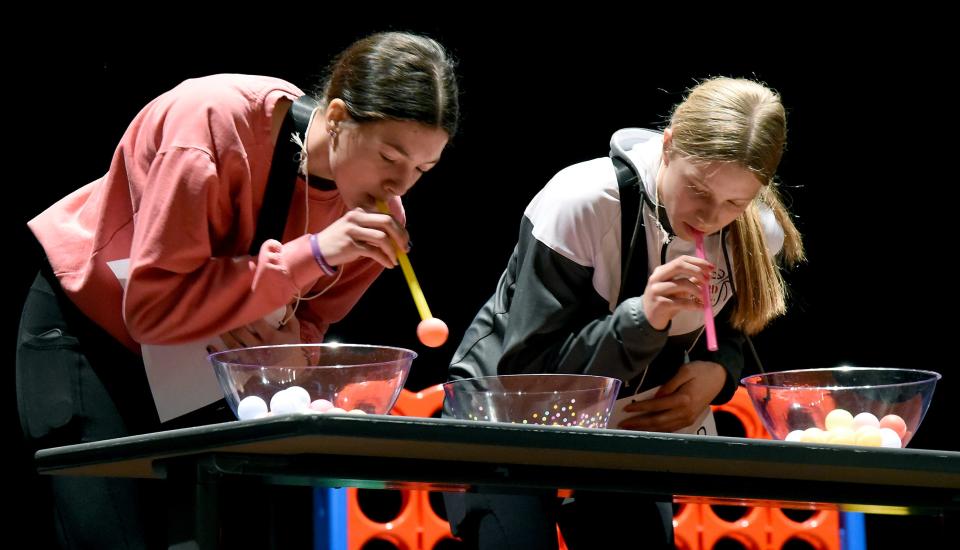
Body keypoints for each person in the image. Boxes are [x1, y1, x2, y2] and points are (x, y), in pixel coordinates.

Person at [16, 31, 459, 549]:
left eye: (422, 170)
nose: (400, 185)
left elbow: (310, 325)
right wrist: (311, 254)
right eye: (389, 157)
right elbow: (152, 308)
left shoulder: (375, 222)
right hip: (95, 333)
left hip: (197, 369)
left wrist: (290, 343)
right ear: (337, 117)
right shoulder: (211, 125)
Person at [444, 77, 804, 549]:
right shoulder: (582, 201)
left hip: (625, 423)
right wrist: (643, 320)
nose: (710, 216)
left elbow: (734, 332)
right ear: (670, 144)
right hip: (505, 412)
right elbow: (528, 374)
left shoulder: (755, 233)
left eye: (735, 202)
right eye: (697, 189)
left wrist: (717, 374)